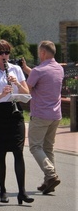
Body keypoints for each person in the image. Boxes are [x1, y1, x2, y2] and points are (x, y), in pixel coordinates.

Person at [0, 39, 33, 205]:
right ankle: (3, 190)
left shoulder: (16, 69)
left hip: (15, 112)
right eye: (0, 53)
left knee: (18, 152)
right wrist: (2, 94)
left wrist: (17, 83)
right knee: (1, 153)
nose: (4, 56)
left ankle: (22, 192)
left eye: (6, 52)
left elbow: (26, 95)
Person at [23, 41, 64, 195]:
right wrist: (26, 69)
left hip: (40, 115)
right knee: (48, 148)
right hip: (56, 114)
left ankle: (51, 173)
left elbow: (27, 90)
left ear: (43, 53)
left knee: (35, 146)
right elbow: (41, 76)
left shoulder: (38, 71)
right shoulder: (59, 68)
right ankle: (49, 180)